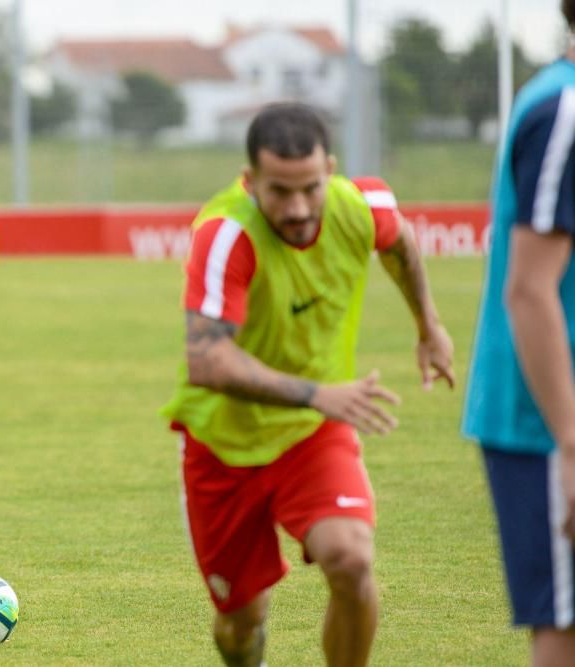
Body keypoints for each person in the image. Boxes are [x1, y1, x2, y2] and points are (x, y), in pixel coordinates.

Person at [160, 102, 455, 666]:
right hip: (223, 445)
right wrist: (321, 393)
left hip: (311, 433)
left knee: (351, 560)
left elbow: (399, 243)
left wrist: (429, 326)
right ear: (250, 182)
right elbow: (208, 362)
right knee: (240, 624)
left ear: (331, 170)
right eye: (279, 192)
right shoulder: (224, 235)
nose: (297, 209)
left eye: (310, 189)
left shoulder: (360, 204)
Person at [461, 2, 575, 663]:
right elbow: (530, 290)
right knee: (565, 626)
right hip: (547, 423)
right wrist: (569, 444)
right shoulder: (562, 112)